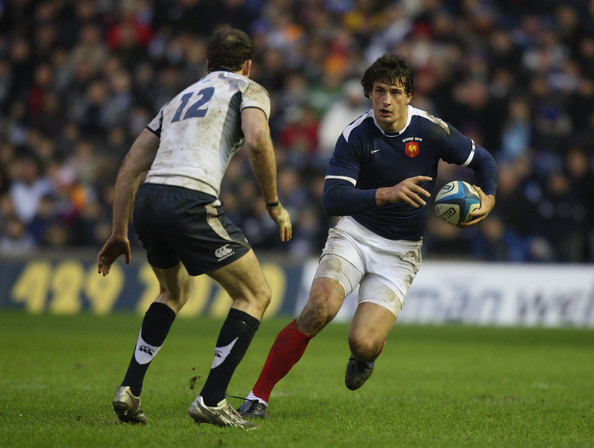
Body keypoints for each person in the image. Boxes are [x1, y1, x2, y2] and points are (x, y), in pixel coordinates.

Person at [239, 54, 498, 418]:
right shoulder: (355, 135)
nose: (385, 100)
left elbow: (483, 160)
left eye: (394, 92)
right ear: (369, 94)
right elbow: (332, 199)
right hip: (355, 234)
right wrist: (387, 193)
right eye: (378, 91)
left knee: (362, 342)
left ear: (409, 96)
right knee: (319, 309)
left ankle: (367, 354)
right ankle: (258, 397)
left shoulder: (431, 130)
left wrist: (488, 199)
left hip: (401, 252)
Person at [97, 28, 291, 430]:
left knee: (174, 291)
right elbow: (258, 140)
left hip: (149, 201)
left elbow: (130, 166)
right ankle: (212, 400)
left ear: (207, 62)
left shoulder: (178, 99)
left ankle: (130, 389)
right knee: (255, 294)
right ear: (248, 65)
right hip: (189, 200)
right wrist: (273, 203)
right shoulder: (249, 88)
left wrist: (119, 231)